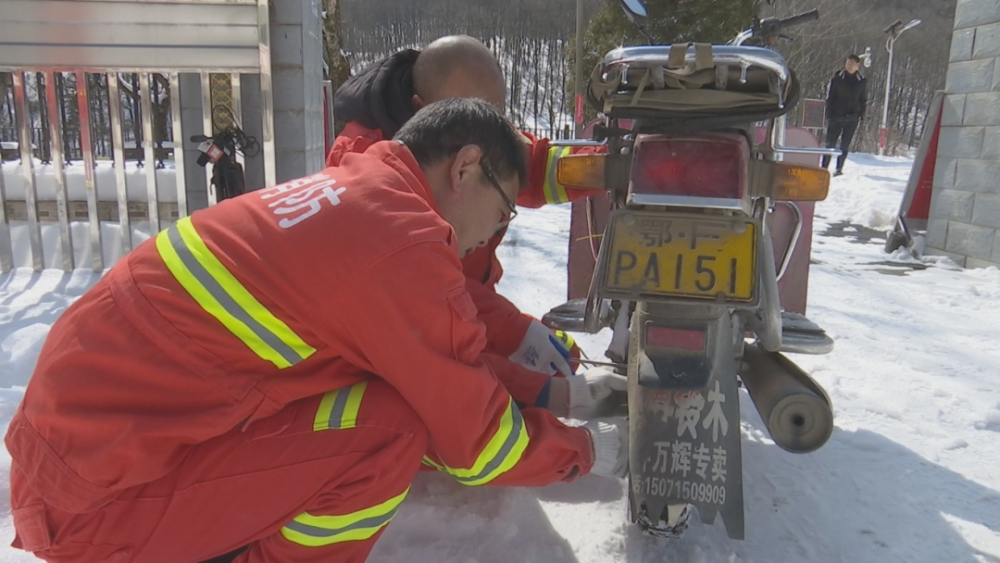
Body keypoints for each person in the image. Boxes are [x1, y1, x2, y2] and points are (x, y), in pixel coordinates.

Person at [5, 99, 628, 563]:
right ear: (466, 167)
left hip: (80, 456)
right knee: (389, 432)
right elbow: (477, 441)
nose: (491, 234)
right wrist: (595, 454)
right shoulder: (402, 244)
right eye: (501, 212)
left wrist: (560, 396)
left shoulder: (359, 197)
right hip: (95, 505)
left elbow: (435, 368)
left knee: (391, 406)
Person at [330, 35, 606, 379]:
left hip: (469, 310)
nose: (489, 137)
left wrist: (614, 167)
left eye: (496, 119)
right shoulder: (364, 166)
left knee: (560, 365)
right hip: (409, 333)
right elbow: (419, 288)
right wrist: (514, 332)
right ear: (422, 109)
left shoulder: (469, 127)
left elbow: (538, 169)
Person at [822, 54, 868, 176]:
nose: (849, 65)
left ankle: (839, 168)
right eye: (848, 63)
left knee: (845, 144)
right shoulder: (837, 79)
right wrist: (829, 114)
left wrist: (860, 114)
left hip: (852, 118)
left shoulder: (862, 81)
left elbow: (863, 100)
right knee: (830, 143)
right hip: (836, 115)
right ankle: (824, 167)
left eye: (852, 63)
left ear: (857, 65)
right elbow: (830, 98)